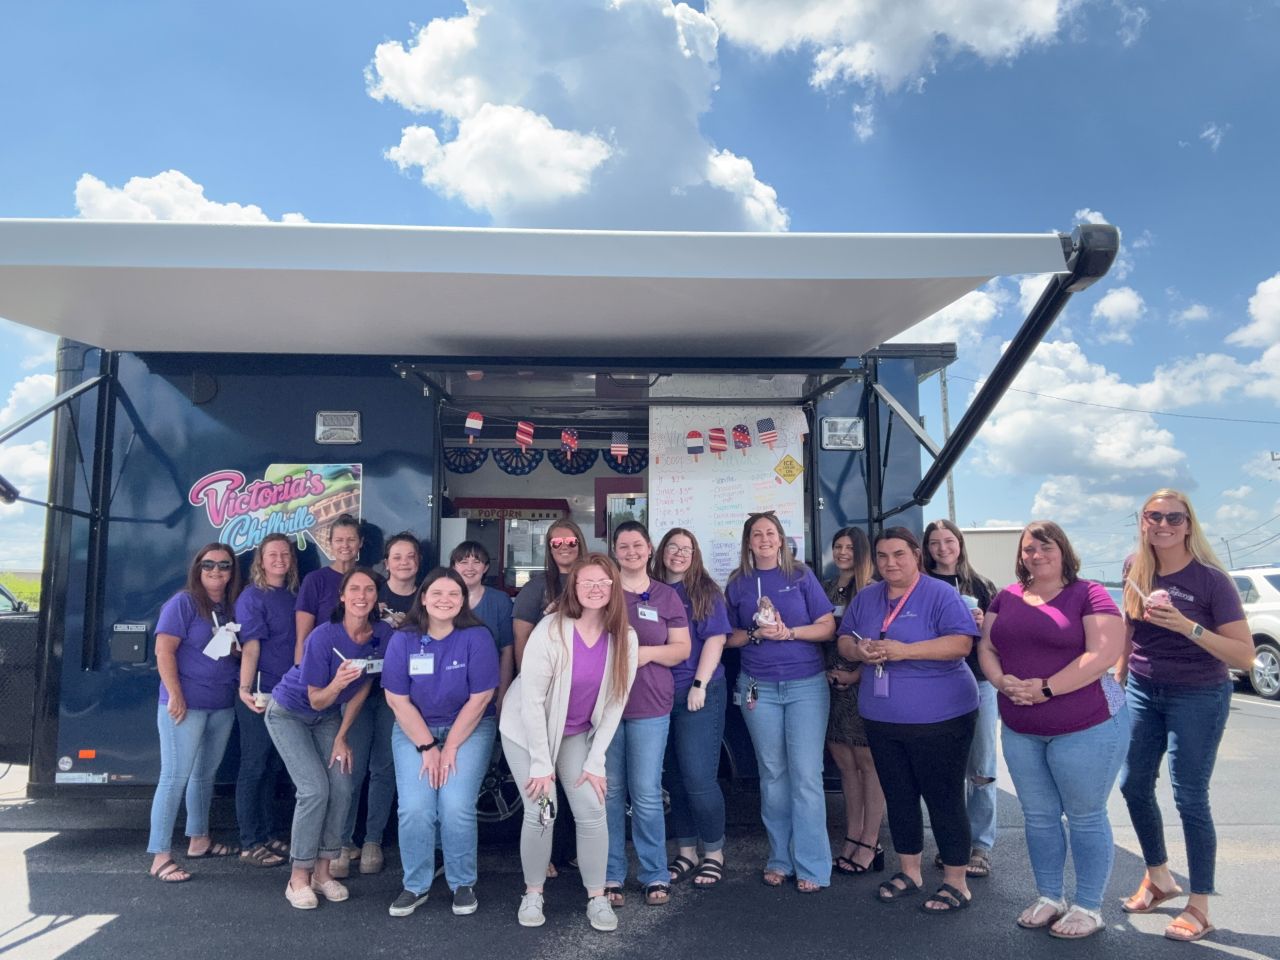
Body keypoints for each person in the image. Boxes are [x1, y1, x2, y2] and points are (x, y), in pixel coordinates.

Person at [978, 520, 1129, 939]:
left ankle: (1088, 906)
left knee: (1084, 816)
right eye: (1028, 549)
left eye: (1045, 547)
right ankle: (1049, 896)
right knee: (1040, 817)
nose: (1036, 555)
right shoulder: (1005, 597)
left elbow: (1103, 654)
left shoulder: (1089, 593)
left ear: (1063, 550)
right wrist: (999, 680)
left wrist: (1046, 689)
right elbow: (986, 646)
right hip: (1021, 728)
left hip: (1086, 725)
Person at [1116, 489, 1253, 943]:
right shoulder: (1133, 569)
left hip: (1198, 693)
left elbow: (1245, 658)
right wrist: (1118, 681)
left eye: (1173, 517)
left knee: (1189, 795)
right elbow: (1129, 630)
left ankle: (1200, 904)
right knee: (1133, 784)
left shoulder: (1212, 580)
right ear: (1142, 522)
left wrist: (1188, 626)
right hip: (1142, 688)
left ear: (1188, 524)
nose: (1163, 524)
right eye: (1153, 515)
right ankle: (1158, 877)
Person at [837, 526, 979, 913]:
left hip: (942, 717)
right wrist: (859, 650)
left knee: (944, 797)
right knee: (899, 796)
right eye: (882, 556)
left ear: (916, 555)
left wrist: (904, 650)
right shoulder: (867, 597)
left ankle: (956, 881)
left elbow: (961, 643)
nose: (890, 563)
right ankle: (910, 872)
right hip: (883, 717)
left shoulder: (940, 594)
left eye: (898, 554)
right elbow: (844, 639)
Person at [499, 555, 637, 932]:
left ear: (614, 588)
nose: (595, 588)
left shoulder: (625, 637)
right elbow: (532, 701)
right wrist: (542, 766)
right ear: (574, 587)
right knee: (543, 807)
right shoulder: (551, 629)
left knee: (593, 806)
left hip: (575, 732)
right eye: (586, 582)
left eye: (603, 582)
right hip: (528, 731)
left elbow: (614, 705)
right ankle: (533, 892)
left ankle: (597, 898)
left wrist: (595, 761)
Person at [266, 567, 389, 909]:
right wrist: (337, 683)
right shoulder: (323, 636)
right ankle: (298, 878)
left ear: (376, 597)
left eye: (368, 590)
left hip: (328, 718)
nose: (361, 596)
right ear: (342, 596)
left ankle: (323, 873)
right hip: (289, 712)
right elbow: (318, 697)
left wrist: (342, 736)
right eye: (354, 589)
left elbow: (364, 685)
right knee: (314, 790)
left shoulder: (382, 634)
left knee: (342, 786)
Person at [725, 511, 836, 893]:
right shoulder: (738, 583)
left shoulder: (801, 575)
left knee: (806, 776)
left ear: (781, 538)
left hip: (806, 685)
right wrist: (756, 632)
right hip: (759, 688)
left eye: (770, 533)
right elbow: (728, 638)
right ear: (748, 541)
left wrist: (790, 634)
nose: (765, 539)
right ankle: (779, 859)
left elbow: (828, 626)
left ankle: (813, 866)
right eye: (757, 534)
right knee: (772, 775)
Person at [383, 567, 499, 918]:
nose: (444, 600)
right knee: (416, 808)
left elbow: (481, 698)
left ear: (463, 600)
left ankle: (461, 881)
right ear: (423, 598)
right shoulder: (403, 639)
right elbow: (396, 699)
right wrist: (427, 747)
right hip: (414, 730)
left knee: (455, 805)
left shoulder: (476, 637)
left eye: (453, 594)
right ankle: (415, 884)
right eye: (437, 594)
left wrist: (448, 748)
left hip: (469, 729)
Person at [604, 522, 690, 907]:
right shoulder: (603, 592)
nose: (631, 551)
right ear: (614, 551)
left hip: (651, 705)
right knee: (609, 794)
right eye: (624, 546)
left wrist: (647, 655)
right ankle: (611, 876)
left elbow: (682, 649)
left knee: (647, 794)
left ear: (650, 548)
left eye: (637, 545)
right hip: (604, 707)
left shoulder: (666, 595)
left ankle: (654, 874)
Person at [146, 543, 243, 882]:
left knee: (205, 776)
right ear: (197, 568)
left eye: (224, 565)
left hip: (220, 704)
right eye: (208, 565)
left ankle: (199, 839)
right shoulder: (182, 603)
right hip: (185, 704)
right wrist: (175, 694)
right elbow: (164, 651)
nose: (216, 571)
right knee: (174, 777)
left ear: (232, 570)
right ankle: (159, 856)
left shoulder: (231, 607)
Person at [332, 532, 420, 878]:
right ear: (387, 562)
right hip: (356, 691)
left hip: (397, 697)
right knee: (349, 770)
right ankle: (341, 841)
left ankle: (372, 840)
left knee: (384, 770)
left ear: (417, 561)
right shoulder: (371, 590)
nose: (403, 563)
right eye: (397, 557)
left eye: (410, 556)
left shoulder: (424, 596)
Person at [654, 527, 732, 889]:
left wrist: (699, 684)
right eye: (673, 547)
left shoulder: (705, 591)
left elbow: (716, 639)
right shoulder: (651, 590)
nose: (679, 553)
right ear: (662, 552)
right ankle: (685, 853)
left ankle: (713, 854)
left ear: (695, 554)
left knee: (700, 780)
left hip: (698, 691)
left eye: (686, 548)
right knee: (675, 780)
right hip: (657, 695)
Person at [511, 518, 589, 876]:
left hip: (584, 701)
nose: (565, 547)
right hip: (545, 699)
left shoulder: (595, 583)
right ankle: (547, 857)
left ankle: (573, 851)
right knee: (544, 781)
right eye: (556, 543)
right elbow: (521, 647)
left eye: (571, 540)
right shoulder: (537, 588)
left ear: (581, 542)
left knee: (578, 783)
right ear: (549, 548)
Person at [923, 518, 999, 879]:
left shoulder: (981, 585)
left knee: (982, 767)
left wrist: (983, 624)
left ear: (960, 543)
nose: (942, 548)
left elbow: (996, 641)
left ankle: (980, 847)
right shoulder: (920, 585)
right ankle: (952, 843)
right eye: (935, 542)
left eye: (948, 541)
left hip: (980, 681)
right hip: (936, 683)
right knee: (945, 768)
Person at [823, 526, 885, 877]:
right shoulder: (828, 587)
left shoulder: (874, 590)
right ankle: (852, 837)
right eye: (838, 546)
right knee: (845, 764)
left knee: (868, 764)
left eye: (849, 547)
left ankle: (870, 842)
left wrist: (855, 674)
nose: (843, 552)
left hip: (865, 685)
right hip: (832, 686)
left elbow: (881, 641)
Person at [234, 534, 298, 868]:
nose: (279, 559)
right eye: (272, 554)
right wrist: (245, 689)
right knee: (254, 765)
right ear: (260, 560)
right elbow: (252, 646)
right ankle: (249, 841)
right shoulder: (251, 596)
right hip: (260, 693)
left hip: (288, 693)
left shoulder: (291, 595)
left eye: (285, 554)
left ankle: (270, 833)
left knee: (274, 767)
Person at [451, 540, 515, 710]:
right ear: (454, 567)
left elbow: (507, 651)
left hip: (488, 694)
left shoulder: (500, 600)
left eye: (476, 562)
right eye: (463, 562)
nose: (470, 568)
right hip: (449, 695)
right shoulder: (443, 600)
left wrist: (502, 697)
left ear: (485, 567)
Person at [294, 513, 362, 663]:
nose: (345, 545)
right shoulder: (314, 580)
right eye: (339, 540)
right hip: (323, 665)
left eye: (351, 540)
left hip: (362, 665)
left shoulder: (369, 579)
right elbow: (303, 638)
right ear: (330, 543)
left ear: (360, 543)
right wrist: (299, 673)